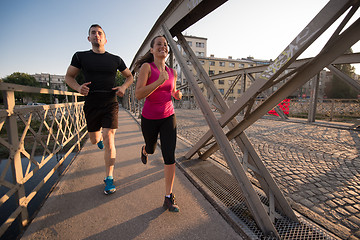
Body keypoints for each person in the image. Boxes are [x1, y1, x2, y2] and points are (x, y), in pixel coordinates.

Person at [65, 24, 134, 195]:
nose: (97, 35)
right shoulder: (80, 56)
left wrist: (123, 88)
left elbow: (130, 76)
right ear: (89, 38)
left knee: (109, 137)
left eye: (100, 33)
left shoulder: (115, 59)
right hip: (91, 104)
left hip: (110, 103)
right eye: (93, 33)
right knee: (95, 139)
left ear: (105, 39)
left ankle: (109, 178)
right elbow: (69, 77)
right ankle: (99, 141)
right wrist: (78, 88)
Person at [135, 35, 182, 212]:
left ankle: (168, 197)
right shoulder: (147, 67)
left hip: (168, 116)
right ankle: (145, 150)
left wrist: (177, 95)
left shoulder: (173, 72)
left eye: (165, 44)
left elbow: (172, 91)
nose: (163, 46)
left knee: (169, 156)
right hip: (149, 117)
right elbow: (139, 94)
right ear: (152, 50)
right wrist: (158, 81)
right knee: (152, 148)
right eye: (159, 45)